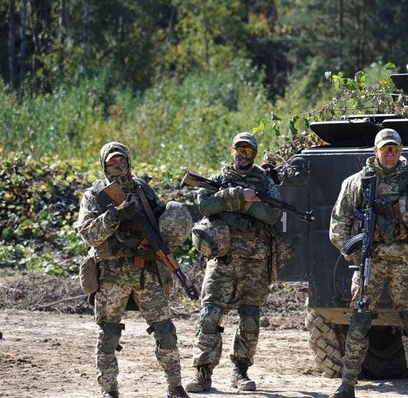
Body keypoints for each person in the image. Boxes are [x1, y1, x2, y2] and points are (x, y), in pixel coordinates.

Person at [328, 128, 408, 398]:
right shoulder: (357, 183)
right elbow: (338, 224)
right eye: (385, 149)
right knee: (359, 322)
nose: (390, 154)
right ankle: (347, 385)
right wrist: (355, 254)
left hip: (405, 261)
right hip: (371, 260)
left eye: (394, 149)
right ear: (375, 151)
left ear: (400, 151)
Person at [75, 142, 191, 398]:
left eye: (121, 160)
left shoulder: (142, 189)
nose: (117, 166)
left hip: (147, 272)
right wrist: (115, 215)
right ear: (104, 165)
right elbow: (88, 234)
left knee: (166, 331)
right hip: (112, 274)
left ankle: (175, 386)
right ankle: (109, 389)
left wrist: (156, 244)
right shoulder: (95, 195)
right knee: (109, 335)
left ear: (128, 161)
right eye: (111, 162)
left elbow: (161, 222)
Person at [185, 132, 282, 393]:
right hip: (222, 259)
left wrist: (248, 205)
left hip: (255, 261)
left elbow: (272, 214)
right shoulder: (218, 179)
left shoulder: (264, 182)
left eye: (248, 151)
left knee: (250, 318)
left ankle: (240, 372)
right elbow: (205, 205)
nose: (243, 155)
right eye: (239, 150)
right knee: (210, 315)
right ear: (232, 151)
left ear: (255, 154)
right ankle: (203, 373)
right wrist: (238, 197)